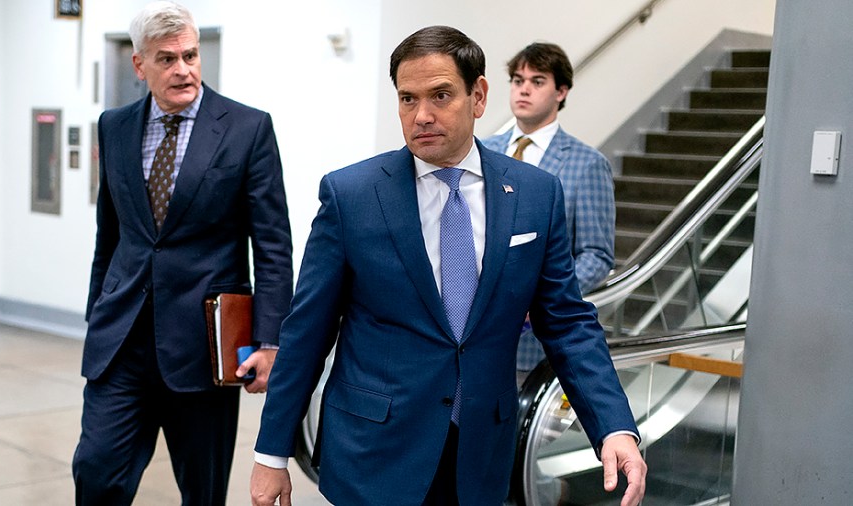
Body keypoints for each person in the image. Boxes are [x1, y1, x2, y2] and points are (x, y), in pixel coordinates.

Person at [250, 26, 645, 506]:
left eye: (441, 95)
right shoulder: (351, 196)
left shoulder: (536, 194)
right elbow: (308, 331)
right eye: (407, 99)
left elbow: (567, 322)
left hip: (480, 452)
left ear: (478, 96)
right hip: (374, 452)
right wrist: (271, 454)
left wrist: (614, 426)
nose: (422, 115)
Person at [72, 2, 293, 505]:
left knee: (202, 490)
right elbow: (111, 234)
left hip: (203, 345)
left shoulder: (247, 128)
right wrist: (96, 315)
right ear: (139, 65)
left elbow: (274, 244)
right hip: (122, 339)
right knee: (96, 471)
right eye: (167, 59)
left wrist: (270, 340)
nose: (183, 69)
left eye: (190, 55)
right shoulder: (115, 126)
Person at [484, 42, 616, 374]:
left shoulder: (587, 164)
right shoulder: (483, 151)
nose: (523, 89)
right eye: (517, 80)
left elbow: (596, 255)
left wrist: (542, 294)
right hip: (472, 334)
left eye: (537, 81)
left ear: (561, 91)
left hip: (534, 344)